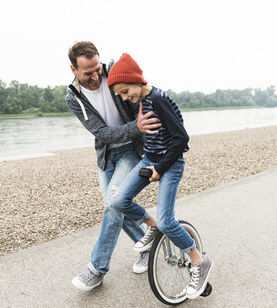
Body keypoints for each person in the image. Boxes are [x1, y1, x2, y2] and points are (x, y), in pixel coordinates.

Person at [107, 53, 213, 300]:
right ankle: (152, 227)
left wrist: (161, 168)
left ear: (136, 80)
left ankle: (199, 260)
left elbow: (181, 139)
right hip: (149, 161)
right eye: (121, 95)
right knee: (118, 200)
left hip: (170, 164)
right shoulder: (143, 100)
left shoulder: (159, 99)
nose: (125, 97)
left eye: (125, 91)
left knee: (168, 222)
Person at [65, 41, 161, 291]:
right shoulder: (72, 97)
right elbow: (102, 133)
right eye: (88, 72)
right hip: (106, 156)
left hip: (131, 149)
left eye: (97, 68)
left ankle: (97, 269)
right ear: (74, 70)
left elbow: (141, 93)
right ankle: (147, 244)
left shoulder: (115, 74)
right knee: (114, 205)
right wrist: (135, 126)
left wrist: (152, 143)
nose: (96, 75)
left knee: (113, 204)